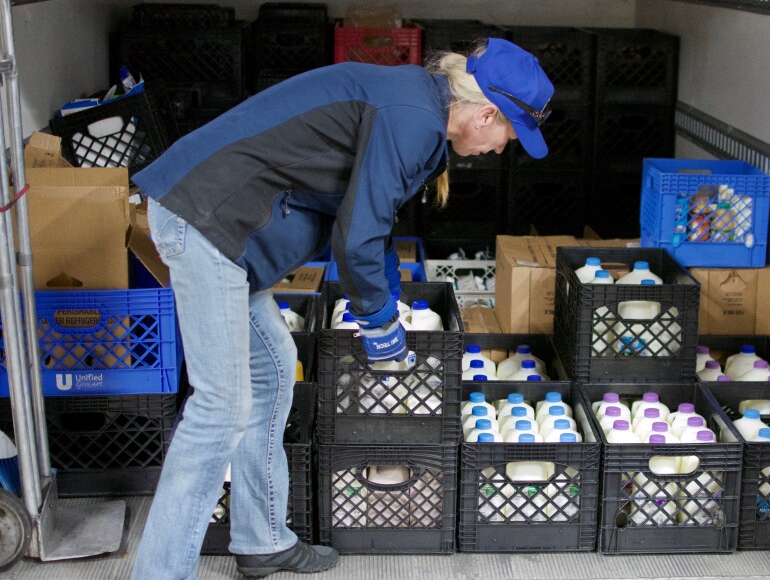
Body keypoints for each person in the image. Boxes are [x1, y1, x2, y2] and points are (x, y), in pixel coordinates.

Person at [129, 37, 553, 580]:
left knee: (274, 371)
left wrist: (390, 302)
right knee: (222, 408)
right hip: (208, 219)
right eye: (508, 135)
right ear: (487, 112)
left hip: (234, 239)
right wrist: (379, 326)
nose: (502, 148)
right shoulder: (412, 116)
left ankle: (261, 541)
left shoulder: (420, 118)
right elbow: (356, 236)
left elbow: (371, 219)